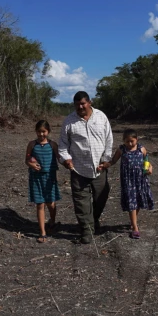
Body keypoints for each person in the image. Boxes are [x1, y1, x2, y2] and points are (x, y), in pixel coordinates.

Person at [58, 91, 113, 243]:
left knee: (100, 197)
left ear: (89, 102)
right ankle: (87, 231)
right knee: (81, 202)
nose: (80, 107)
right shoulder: (69, 121)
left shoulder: (101, 117)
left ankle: (93, 220)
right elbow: (63, 144)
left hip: (99, 168)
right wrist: (66, 159)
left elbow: (109, 139)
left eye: (83, 103)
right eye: (77, 105)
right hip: (78, 169)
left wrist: (106, 159)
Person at [102, 129, 154, 239]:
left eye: (132, 141)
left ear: (137, 140)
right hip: (128, 181)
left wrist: (150, 168)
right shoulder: (122, 150)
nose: (130, 144)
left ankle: (133, 221)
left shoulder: (141, 149)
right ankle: (135, 227)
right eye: (127, 141)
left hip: (140, 179)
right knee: (132, 202)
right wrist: (105, 165)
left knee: (138, 200)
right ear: (123, 141)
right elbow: (113, 161)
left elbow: (147, 161)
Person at [26, 120, 60, 243]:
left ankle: (52, 220)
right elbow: (27, 160)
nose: (41, 134)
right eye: (39, 131)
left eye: (44, 131)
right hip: (36, 179)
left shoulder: (53, 145)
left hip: (50, 178)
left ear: (48, 131)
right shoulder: (31, 144)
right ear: (36, 131)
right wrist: (32, 165)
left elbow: (60, 158)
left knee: (50, 203)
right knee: (40, 204)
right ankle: (43, 232)